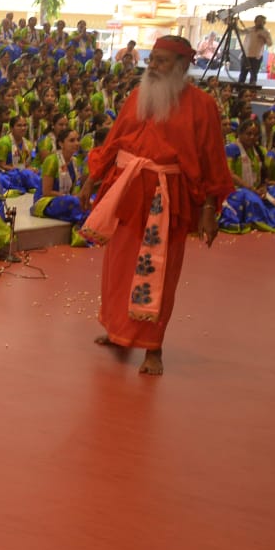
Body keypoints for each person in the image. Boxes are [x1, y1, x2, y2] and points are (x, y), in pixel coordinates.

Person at [82, 36, 237, 376]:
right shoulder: (138, 96)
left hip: (167, 197)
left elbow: (212, 160)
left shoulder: (202, 105)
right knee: (118, 265)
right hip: (127, 191)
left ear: (182, 66)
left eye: (162, 61)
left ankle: (154, 348)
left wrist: (210, 210)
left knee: (159, 271)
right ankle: (118, 330)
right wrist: (92, 180)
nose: (152, 66)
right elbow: (113, 141)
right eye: (152, 59)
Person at [238, 15, 273, 87]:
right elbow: (241, 32)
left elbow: (270, 44)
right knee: (243, 74)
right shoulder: (250, 29)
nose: (260, 23)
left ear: (264, 23)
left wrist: (264, 38)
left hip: (256, 57)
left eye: (262, 22)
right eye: (259, 21)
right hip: (246, 55)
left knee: (253, 75)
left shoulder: (266, 32)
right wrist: (235, 26)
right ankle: (239, 89)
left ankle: (251, 90)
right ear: (255, 22)